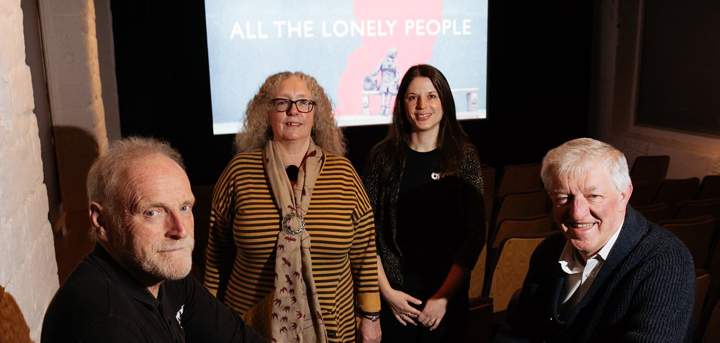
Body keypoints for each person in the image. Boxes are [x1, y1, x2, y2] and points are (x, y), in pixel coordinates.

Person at [204, 72, 381, 343]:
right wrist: (209, 320)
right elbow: (217, 256)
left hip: (332, 327)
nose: (293, 110)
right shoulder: (238, 173)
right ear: (267, 112)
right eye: (282, 102)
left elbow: (365, 253)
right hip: (251, 327)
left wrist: (370, 317)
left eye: (303, 102)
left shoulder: (343, 174)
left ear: (315, 114)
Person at [41, 137, 267, 343]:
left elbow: (239, 339)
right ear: (102, 221)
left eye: (184, 207)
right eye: (152, 212)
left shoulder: (163, 272)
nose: (180, 230)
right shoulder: (107, 324)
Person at [494, 138, 695, 342]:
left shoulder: (666, 261)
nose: (578, 213)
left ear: (624, 196)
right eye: (563, 198)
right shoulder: (548, 250)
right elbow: (516, 333)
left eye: (593, 196)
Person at [363, 64, 486, 342]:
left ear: (444, 100)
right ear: (402, 104)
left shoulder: (464, 156)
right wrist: (387, 293)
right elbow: (365, 232)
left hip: (447, 298)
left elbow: (475, 233)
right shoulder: (382, 157)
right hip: (395, 300)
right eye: (412, 97)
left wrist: (443, 297)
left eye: (431, 96)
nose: (422, 105)